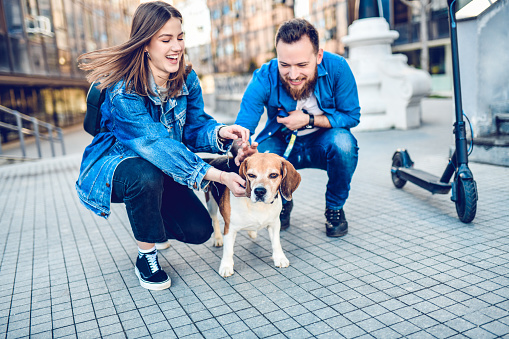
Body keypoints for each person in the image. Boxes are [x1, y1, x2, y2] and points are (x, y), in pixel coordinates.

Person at [75, 1, 250, 291]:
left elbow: (194, 127)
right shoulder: (123, 90)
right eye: (166, 39)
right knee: (145, 174)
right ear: (145, 44)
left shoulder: (187, 79)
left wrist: (221, 133)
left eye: (180, 37)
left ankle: (150, 216)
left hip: (161, 167)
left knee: (200, 231)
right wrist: (218, 175)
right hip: (115, 168)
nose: (176, 47)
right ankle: (147, 256)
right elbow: (155, 144)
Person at [234, 18, 360, 237]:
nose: (293, 75)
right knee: (262, 152)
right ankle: (282, 201)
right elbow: (243, 125)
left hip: (323, 141)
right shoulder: (264, 76)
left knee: (345, 144)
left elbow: (351, 116)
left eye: (302, 65)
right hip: (281, 140)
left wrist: (309, 120)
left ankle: (334, 209)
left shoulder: (338, 68)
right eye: (285, 65)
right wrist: (241, 147)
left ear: (318, 56)